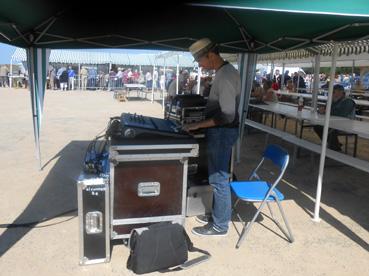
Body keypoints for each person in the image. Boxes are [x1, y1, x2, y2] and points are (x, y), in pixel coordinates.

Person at [183, 38, 240, 237]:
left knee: (218, 179)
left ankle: (220, 225)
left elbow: (227, 115)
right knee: (217, 178)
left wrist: (198, 124)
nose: (199, 64)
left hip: (222, 133)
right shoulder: (224, 72)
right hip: (220, 133)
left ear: (211, 55)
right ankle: (218, 215)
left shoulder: (225, 76)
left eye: (200, 60)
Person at [313, 84, 355, 151]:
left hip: (346, 125)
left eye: (333, 92)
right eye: (331, 92)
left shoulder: (348, 101)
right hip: (333, 123)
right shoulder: (332, 100)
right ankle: (334, 144)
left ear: (340, 92)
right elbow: (325, 109)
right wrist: (320, 110)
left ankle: (335, 147)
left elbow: (341, 114)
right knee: (317, 126)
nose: (331, 94)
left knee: (329, 128)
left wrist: (325, 111)